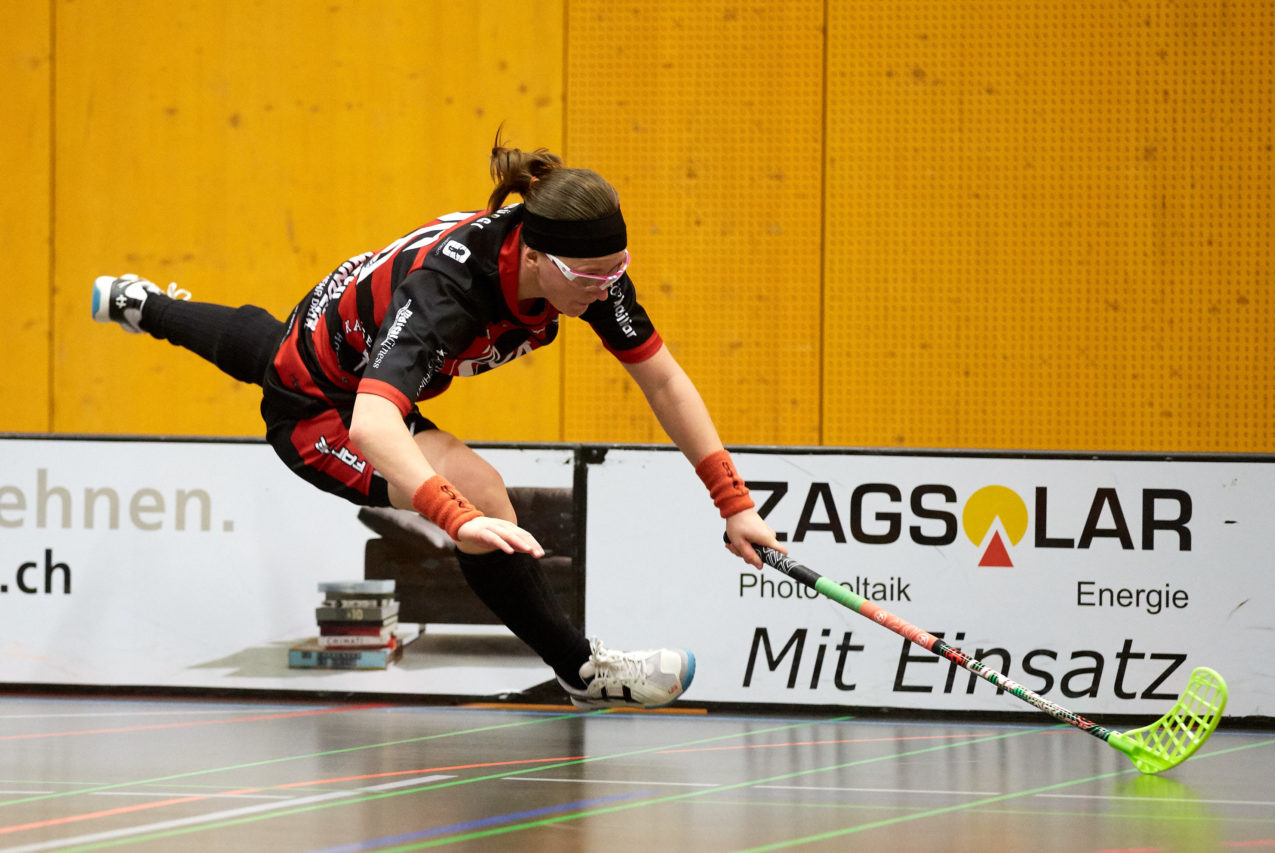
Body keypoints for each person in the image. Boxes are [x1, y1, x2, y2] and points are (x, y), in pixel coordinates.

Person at [91, 136, 784, 709]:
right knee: (474, 486)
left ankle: (142, 305)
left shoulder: (581, 269)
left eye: (618, 272)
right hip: (320, 415)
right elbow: (369, 425)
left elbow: (661, 377)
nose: (607, 290)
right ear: (536, 258)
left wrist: (735, 502)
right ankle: (584, 672)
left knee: (265, 346)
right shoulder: (449, 293)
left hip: (332, 343)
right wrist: (453, 515)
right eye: (593, 277)